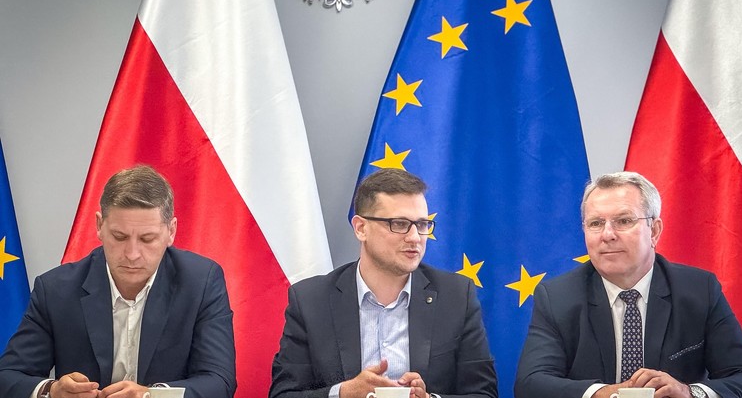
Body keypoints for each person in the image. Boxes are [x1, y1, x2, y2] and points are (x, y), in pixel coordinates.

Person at [515, 171, 742, 398]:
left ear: (654, 231)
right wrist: (602, 393)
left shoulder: (699, 290)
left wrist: (689, 393)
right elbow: (530, 384)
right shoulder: (558, 297)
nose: (608, 234)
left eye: (624, 221)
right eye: (596, 223)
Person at [0, 165, 236, 398]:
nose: (132, 254)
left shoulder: (201, 283)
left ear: (171, 231)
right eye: (119, 237)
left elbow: (219, 382)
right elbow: (8, 377)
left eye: (147, 239)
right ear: (99, 226)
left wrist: (151, 396)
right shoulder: (56, 289)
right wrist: (52, 391)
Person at [269, 168, 497, 398]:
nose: (414, 238)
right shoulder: (311, 300)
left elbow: (484, 394)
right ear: (361, 228)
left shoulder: (456, 296)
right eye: (399, 224)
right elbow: (282, 394)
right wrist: (343, 393)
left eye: (421, 225)